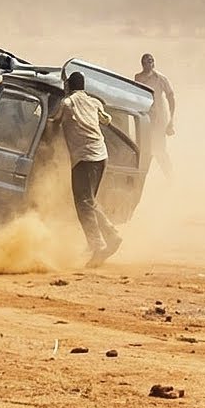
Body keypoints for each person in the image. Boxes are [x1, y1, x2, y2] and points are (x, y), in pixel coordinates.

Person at [49, 72, 121, 266]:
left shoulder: (67, 103)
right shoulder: (94, 102)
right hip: (101, 155)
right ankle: (111, 235)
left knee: (83, 204)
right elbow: (107, 119)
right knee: (89, 201)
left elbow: (53, 121)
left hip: (84, 158)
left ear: (69, 86)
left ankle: (97, 245)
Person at [133, 53, 175, 177]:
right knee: (144, 148)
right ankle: (142, 176)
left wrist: (171, 121)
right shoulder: (138, 78)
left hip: (159, 119)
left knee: (159, 150)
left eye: (151, 61)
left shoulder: (160, 79)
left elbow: (171, 97)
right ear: (142, 64)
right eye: (146, 62)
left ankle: (170, 177)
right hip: (144, 118)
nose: (149, 64)